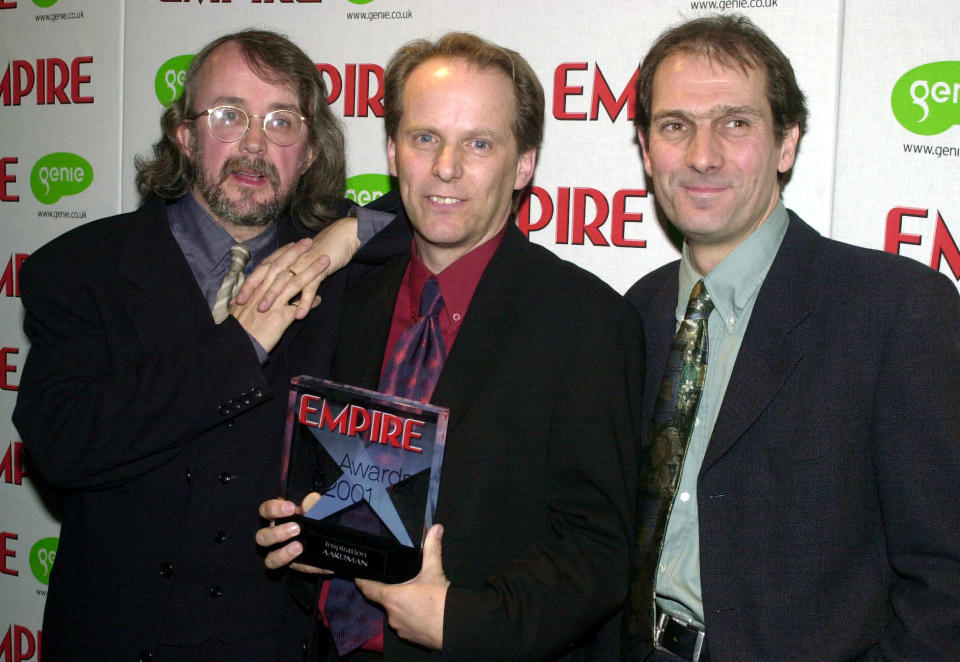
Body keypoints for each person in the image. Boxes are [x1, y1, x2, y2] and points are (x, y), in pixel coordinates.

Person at [13, 29, 400, 661]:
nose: (254, 144)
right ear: (186, 135)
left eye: (282, 121)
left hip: (276, 644)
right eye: (230, 116)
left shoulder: (331, 270)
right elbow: (62, 444)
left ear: (308, 152)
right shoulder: (82, 269)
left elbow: (442, 203)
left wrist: (344, 234)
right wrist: (242, 344)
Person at [257, 32, 643, 661]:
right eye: (425, 138)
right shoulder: (341, 300)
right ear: (393, 150)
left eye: (480, 144)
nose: (445, 167)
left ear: (523, 165)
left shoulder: (587, 323)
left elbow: (598, 552)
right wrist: (306, 541)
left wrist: (462, 620)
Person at [621, 14, 960, 662]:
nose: (702, 154)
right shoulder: (635, 312)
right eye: (675, 126)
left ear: (786, 144)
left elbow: (946, 577)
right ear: (645, 150)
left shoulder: (894, 311)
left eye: (735, 123)